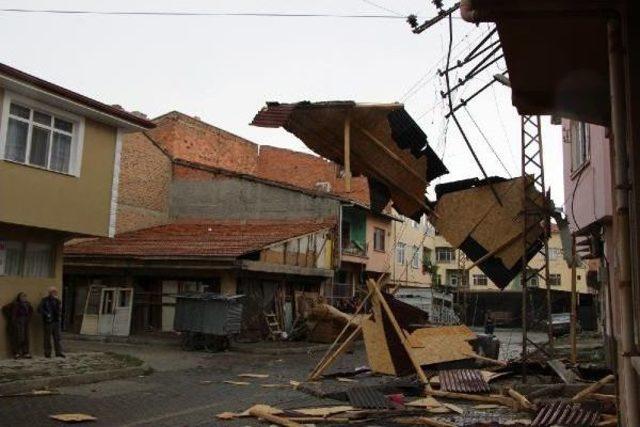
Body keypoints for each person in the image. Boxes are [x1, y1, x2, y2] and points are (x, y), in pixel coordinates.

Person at [38, 287, 64, 358]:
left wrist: (59, 314)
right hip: (48, 321)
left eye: (55, 292)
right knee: (47, 338)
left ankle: (58, 352)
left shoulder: (57, 301)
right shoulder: (45, 300)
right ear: (50, 293)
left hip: (56, 321)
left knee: (57, 338)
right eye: (53, 292)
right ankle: (47, 353)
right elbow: (39, 309)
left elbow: (59, 310)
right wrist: (46, 314)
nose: (54, 293)